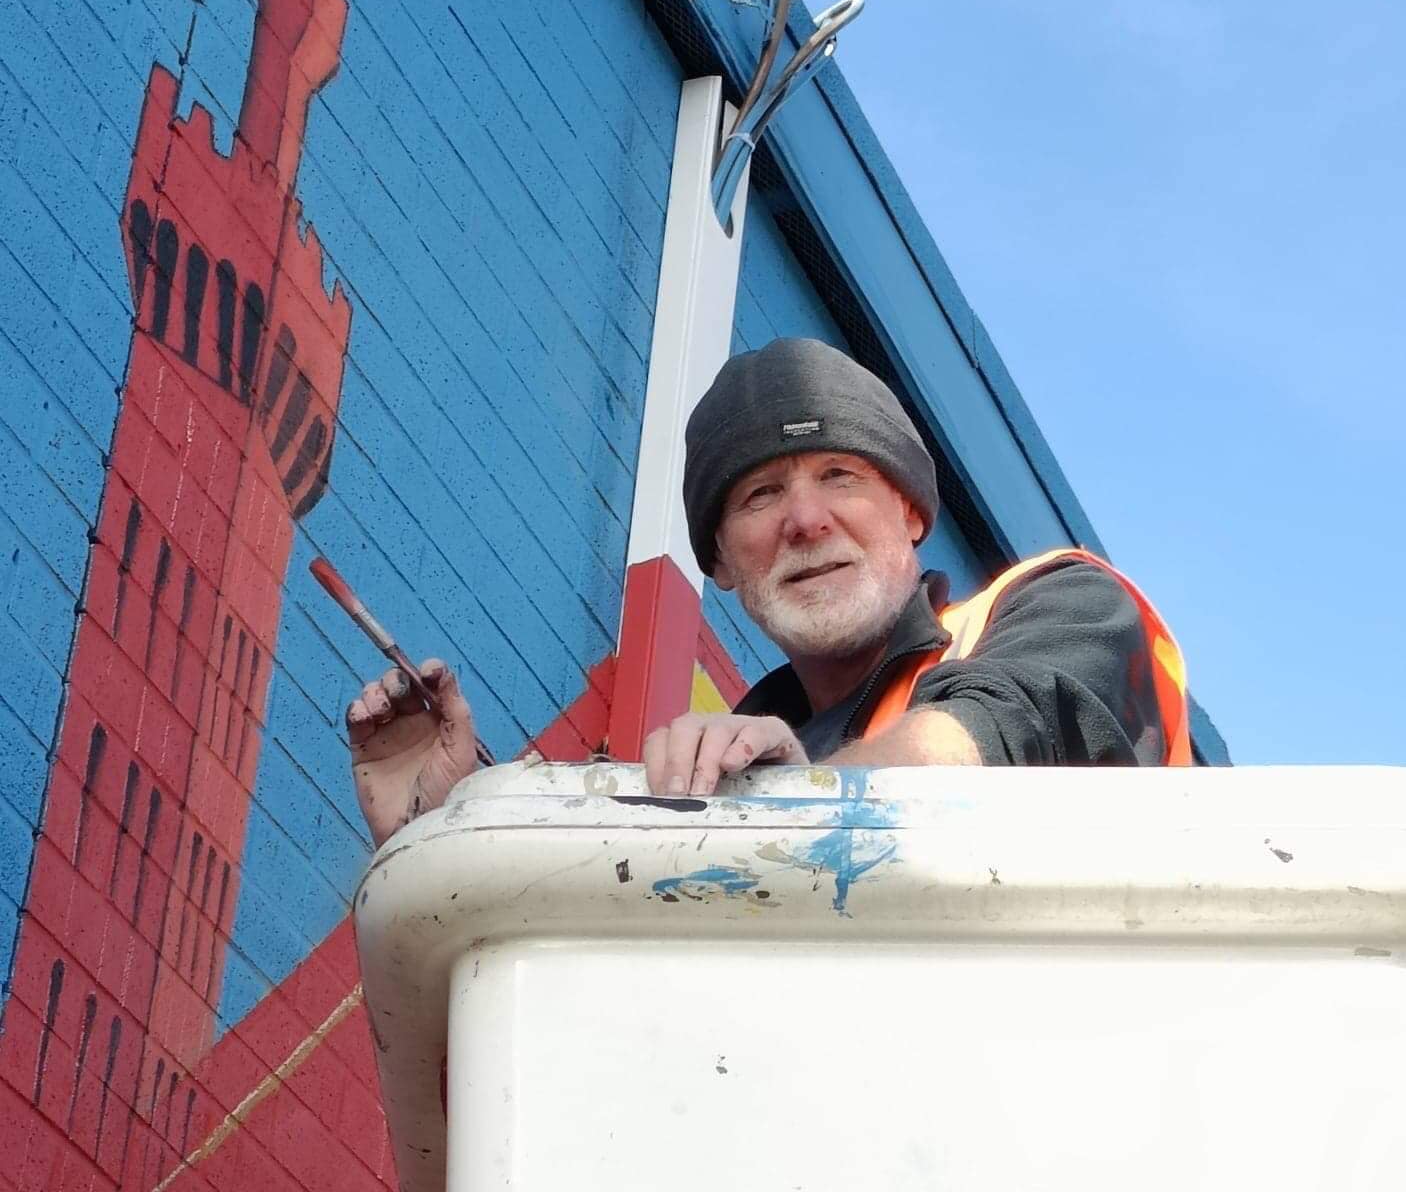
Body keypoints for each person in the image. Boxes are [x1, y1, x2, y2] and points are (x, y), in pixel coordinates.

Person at [346, 339, 1190, 846]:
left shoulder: (1064, 609)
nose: (806, 519)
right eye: (758, 496)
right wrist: (446, 831)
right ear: (719, 559)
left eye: (841, 474)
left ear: (911, 509)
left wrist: (794, 802)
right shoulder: (715, 773)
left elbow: (985, 740)